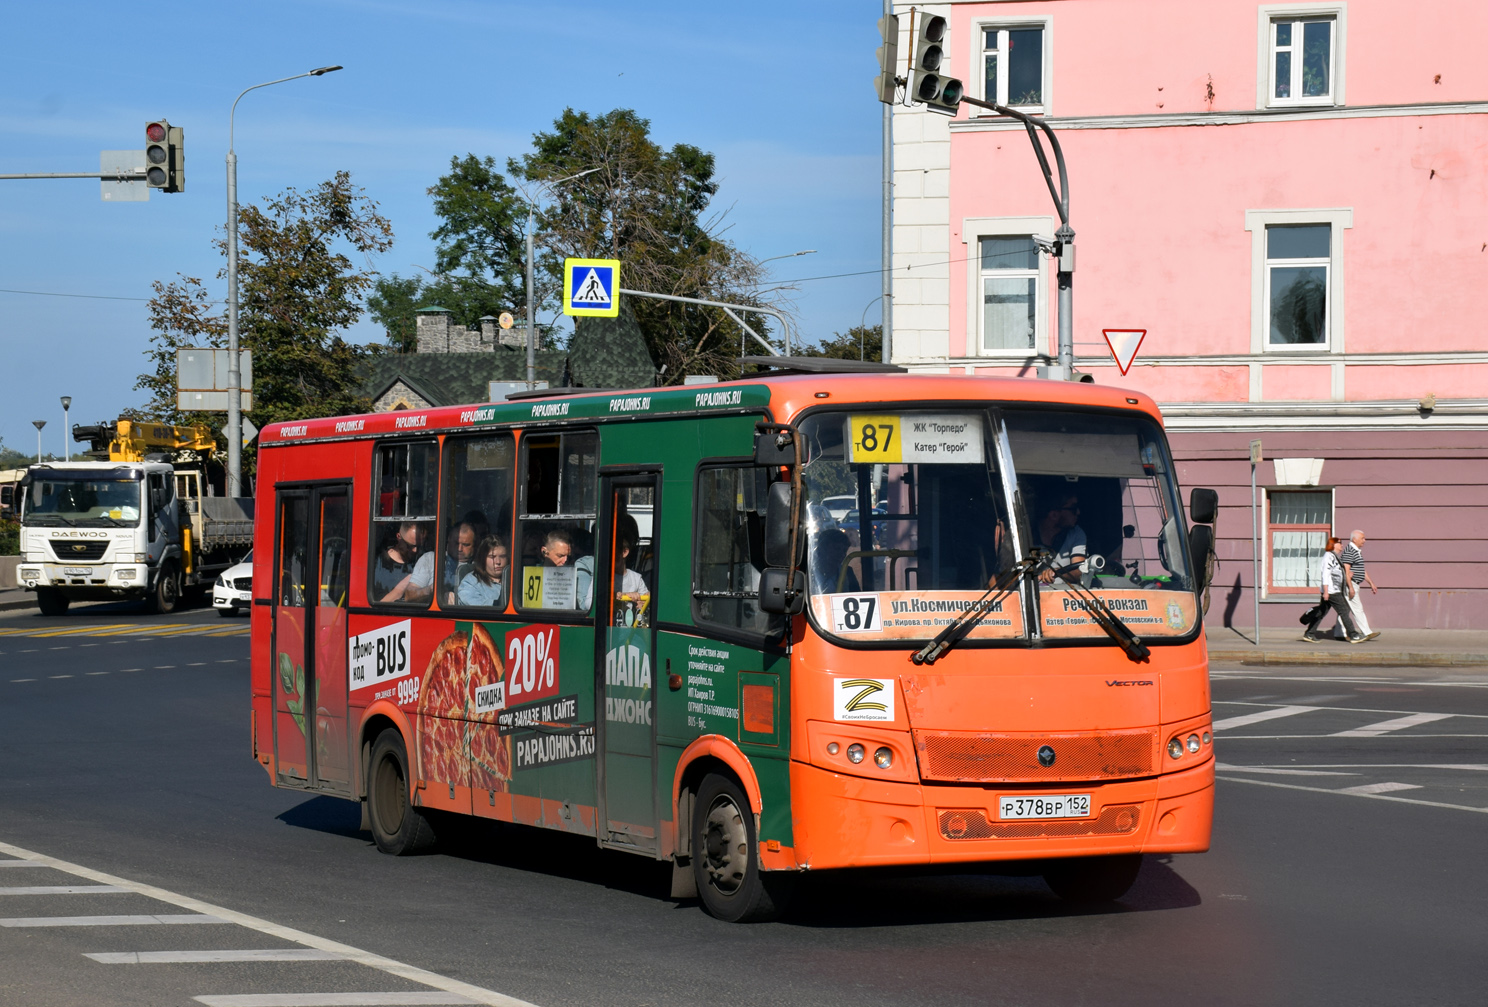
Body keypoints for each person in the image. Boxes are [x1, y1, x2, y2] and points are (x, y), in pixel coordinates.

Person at [1303, 537, 1364, 643]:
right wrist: (1326, 592)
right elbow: (1325, 575)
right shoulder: (1328, 557)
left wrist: (1346, 574)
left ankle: (1309, 633)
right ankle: (1353, 635)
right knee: (1344, 610)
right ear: (1333, 544)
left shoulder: (1334, 557)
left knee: (1322, 612)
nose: (1342, 545)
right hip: (1332, 591)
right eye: (1339, 543)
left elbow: (1336, 572)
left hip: (1333, 590)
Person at [1333, 529, 1380, 641]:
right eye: (1362, 538)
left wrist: (1371, 583)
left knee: (1345, 609)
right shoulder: (1350, 551)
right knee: (1357, 609)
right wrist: (1350, 588)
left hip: (1354, 584)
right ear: (1354, 539)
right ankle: (1367, 632)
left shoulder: (1356, 551)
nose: (1364, 540)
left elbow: (1361, 570)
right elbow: (1346, 571)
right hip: (1350, 584)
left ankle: (1339, 633)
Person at [1036, 492, 1087, 585]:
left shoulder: (1076, 533)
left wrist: (1059, 572)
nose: (1078, 512)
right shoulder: (1025, 535)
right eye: (1073, 509)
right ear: (1054, 515)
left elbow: (1080, 571)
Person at [379, 522, 435, 604]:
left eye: (419, 546)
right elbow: (375, 607)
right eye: (410, 546)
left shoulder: (424, 560)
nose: (415, 550)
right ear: (399, 537)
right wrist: (405, 585)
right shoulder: (379, 564)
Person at [457, 536, 508, 608]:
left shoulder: (514, 580)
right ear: (483, 558)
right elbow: (477, 606)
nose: (498, 562)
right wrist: (499, 603)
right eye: (492, 557)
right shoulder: (470, 582)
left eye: (502, 556)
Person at [441, 522, 477, 605]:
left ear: (474, 545)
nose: (459, 549)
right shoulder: (431, 559)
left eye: (466, 545)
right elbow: (410, 595)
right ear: (448, 540)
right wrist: (435, 590)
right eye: (456, 543)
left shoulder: (480, 567)